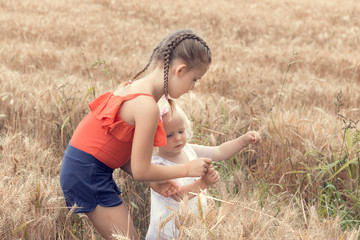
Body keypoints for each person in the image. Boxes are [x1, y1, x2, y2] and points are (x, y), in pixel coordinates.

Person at [59, 29, 213, 240]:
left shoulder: (132, 88)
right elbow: (141, 170)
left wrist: (153, 182)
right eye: (195, 79)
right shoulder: (146, 106)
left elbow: (117, 153)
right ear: (180, 70)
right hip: (88, 173)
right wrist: (187, 168)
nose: (193, 87)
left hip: (84, 167)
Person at [146, 100, 261, 240]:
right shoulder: (157, 166)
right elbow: (178, 196)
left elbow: (219, 151)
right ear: (154, 138)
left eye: (181, 131)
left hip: (194, 226)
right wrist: (203, 183)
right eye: (169, 135)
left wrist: (242, 141)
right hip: (169, 231)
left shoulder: (189, 149)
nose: (178, 138)